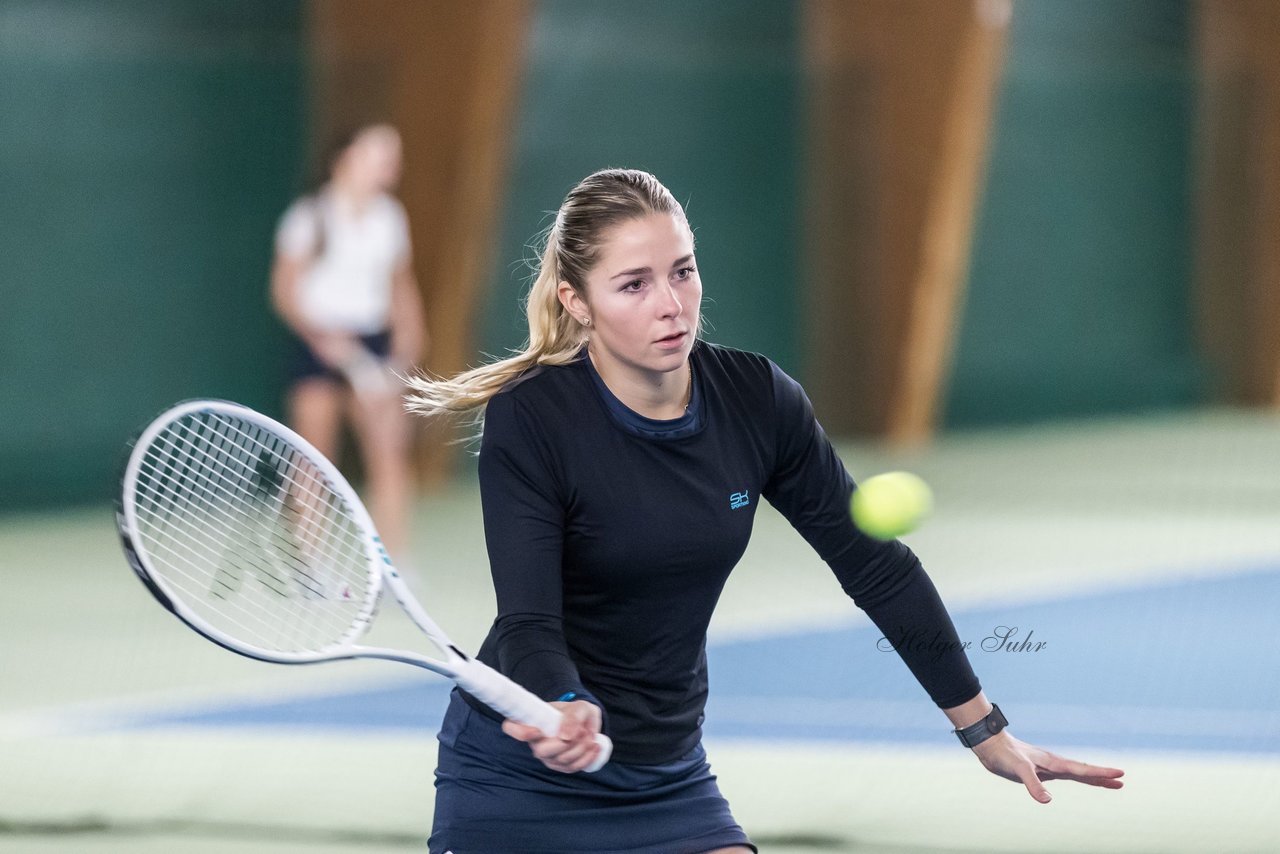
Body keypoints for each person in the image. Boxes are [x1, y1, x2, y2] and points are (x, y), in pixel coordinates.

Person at [406, 169, 1123, 853]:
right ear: (576, 301)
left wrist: (983, 730)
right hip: (522, 775)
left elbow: (877, 568)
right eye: (634, 284)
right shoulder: (533, 418)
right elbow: (530, 620)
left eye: (682, 270)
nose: (672, 304)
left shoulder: (757, 400)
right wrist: (564, 701)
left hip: (667, 770)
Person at [271, 123, 426, 565]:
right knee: (312, 456)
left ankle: (394, 567)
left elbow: (401, 286)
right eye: (378, 154)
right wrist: (321, 338)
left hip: (374, 346)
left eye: (392, 157)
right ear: (346, 159)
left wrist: (409, 341)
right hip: (316, 347)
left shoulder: (390, 217)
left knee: (390, 454)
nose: (388, 166)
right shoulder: (309, 216)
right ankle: (310, 567)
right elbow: (284, 290)